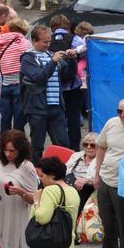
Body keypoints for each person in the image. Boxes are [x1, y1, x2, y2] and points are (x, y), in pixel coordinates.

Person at [21, 25, 71, 159]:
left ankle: (62, 175)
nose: (48, 45)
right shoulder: (28, 58)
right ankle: (36, 176)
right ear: (34, 41)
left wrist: (71, 60)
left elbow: (68, 77)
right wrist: (53, 62)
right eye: (44, 42)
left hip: (56, 108)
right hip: (38, 109)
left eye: (49, 41)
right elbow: (39, 78)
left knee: (63, 144)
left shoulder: (51, 55)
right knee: (37, 146)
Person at [89, 98, 124, 248]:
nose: (122, 115)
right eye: (120, 111)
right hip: (106, 178)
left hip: (122, 183)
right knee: (107, 219)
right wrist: (97, 174)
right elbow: (101, 147)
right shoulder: (111, 123)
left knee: (123, 221)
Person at [50, 14, 87, 151]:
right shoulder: (74, 39)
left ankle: (59, 147)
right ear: (68, 27)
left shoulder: (48, 39)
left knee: (57, 119)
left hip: (54, 87)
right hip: (73, 85)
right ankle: (74, 148)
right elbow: (86, 49)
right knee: (73, 119)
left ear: (52, 27)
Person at [0, 18, 31, 133]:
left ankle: (4, 141)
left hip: (4, 83)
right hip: (19, 84)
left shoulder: (0, 41)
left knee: (5, 117)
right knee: (19, 118)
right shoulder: (25, 42)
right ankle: (17, 141)